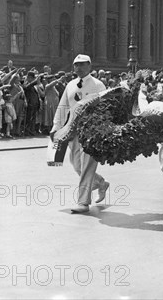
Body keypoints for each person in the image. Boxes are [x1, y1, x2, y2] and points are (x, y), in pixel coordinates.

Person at [50, 54, 110, 214]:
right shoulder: (70, 85)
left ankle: (83, 202)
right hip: (73, 130)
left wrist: (103, 128)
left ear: (90, 66)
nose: (79, 68)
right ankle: (101, 183)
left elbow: (106, 107)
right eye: (76, 65)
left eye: (83, 65)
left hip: (92, 130)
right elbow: (63, 106)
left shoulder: (98, 85)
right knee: (77, 165)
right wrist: (55, 127)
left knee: (87, 166)